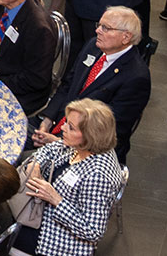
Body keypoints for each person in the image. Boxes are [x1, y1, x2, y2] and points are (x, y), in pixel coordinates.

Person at [34, 6, 152, 165]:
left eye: (106, 28)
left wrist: (60, 143)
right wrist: (46, 120)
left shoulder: (136, 78)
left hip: (86, 151)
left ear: (126, 37)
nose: (98, 31)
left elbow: (111, 131)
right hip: (56, 123)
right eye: (99, 25)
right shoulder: (93, 46)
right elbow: (68, 85)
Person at [16, 99, 124, 256]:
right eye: (66, 122)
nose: (63, 128)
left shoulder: (98, 176)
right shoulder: (82, 145)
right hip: (40, 211)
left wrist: (55, 199)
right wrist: (37, 164)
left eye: (71, 127)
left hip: (56, 238)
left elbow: (93, 231)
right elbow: (50, 149)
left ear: (89, 136)